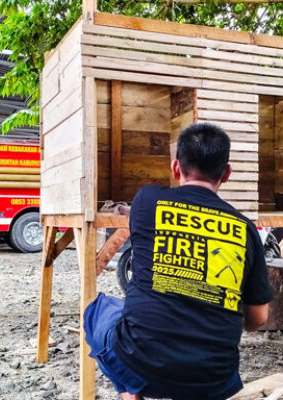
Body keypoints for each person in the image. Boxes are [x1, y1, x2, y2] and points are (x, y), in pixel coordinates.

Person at [84, 123, 272, 400]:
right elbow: (258, 318)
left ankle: (131, 393)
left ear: (175, 168)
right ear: (227, 173)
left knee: (97, 311)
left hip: (140, 364)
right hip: (215, 379)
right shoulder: (246, 229)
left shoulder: (146, 200)